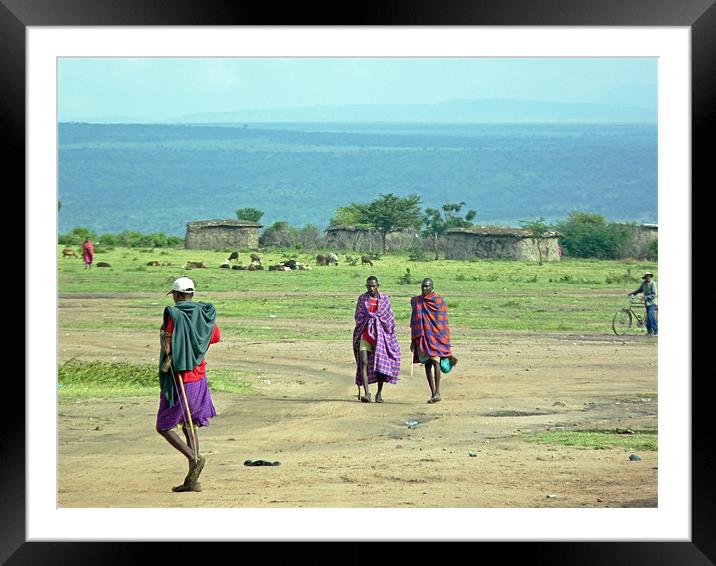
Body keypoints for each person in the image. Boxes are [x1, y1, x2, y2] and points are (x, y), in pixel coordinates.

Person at [157, 277, 221, 492]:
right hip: (199, 376)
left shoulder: (174, 314)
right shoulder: (204, 315)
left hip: (179, 379)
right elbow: (214, 337)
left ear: (175, 295)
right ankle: (192, 480)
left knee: (164, 426)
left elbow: (168, 347)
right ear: (192, 295)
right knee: (189, 426)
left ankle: (194, 457)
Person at [352, 276, 401, 403]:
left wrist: (381, 324)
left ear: (378, 286)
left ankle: (379, 393)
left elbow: (389, 318)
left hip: (380, 336)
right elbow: (358, 317)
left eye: (373, 286)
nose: (371, 288)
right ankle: (367, 393)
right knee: (363, 362)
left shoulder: (384, 300)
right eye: (369, 286)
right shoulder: (362, 299)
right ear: (366, 286)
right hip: (366, 335)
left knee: (380, 365)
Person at [410, 278, 453, 404]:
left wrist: (442, 337)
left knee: (435, 362)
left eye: (426, 286)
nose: (424, 289)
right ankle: (433, 392)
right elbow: (414, 321)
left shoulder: (438, 301)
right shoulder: (417, 302)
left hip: (435, 337)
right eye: (422, 286)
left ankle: (437, 392)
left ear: (431, 287)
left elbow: (442, 322)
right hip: (423, 337)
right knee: (427, 365)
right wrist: (413, 340)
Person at [629, 271, 658, 337]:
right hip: (647, 303)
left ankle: (656, 331)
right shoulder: (644, 284)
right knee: (649, 317)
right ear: (645, 278)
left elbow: (654, 294)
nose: (647, 278)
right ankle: (649, 332)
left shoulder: (653, 283)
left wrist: (645, 297)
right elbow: (639, 290)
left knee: (650, 316)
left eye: (649, 276)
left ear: (650, 277)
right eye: (646, 277)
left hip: (652, 302)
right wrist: (632, 293)